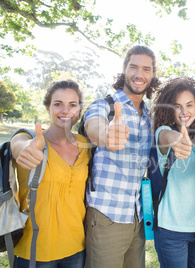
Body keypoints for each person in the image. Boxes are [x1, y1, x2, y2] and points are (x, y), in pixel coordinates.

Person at [83, 45, 160, 268]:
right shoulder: (104, 105)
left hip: (137, 217)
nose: (139, 74)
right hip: (107, 215)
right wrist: (106, 134)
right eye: (133, 67)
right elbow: (94, 126)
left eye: (146, 69)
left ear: (152, 75)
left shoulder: (149, 115)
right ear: (124, 69)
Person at [11, 80, 90, 267]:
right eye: (58, 104)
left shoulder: (85, 145)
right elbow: (18, 146)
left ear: (79, 109)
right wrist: (24, 149)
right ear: (48, 107)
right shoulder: (30, 139)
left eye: (73, 105)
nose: (65, 110)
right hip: (35, 250)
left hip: (76, 248)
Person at [151, 77, 195, 268]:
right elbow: (166, 136)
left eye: (189, 105)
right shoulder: (164, 132)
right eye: (177, 106)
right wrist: (177, 140)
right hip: (170, 230)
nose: (184, 112)